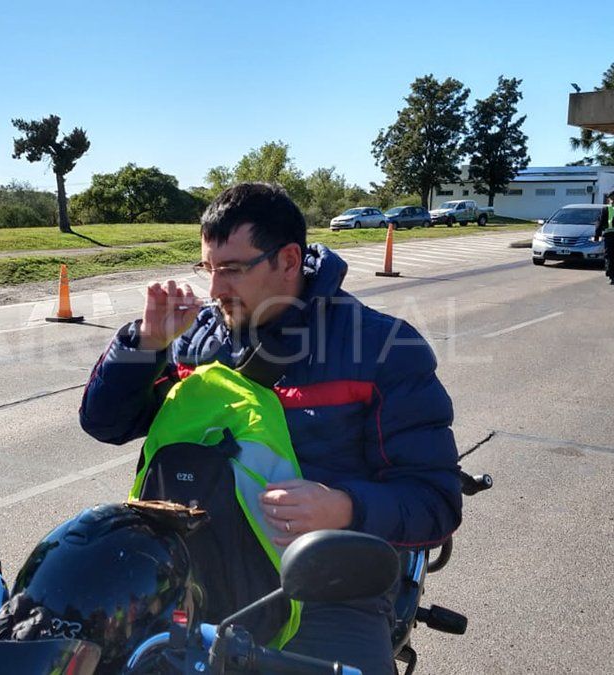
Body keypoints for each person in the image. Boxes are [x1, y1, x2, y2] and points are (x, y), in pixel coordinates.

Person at [79, 182, 463, 671]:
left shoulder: (383, 348)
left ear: (287, 260)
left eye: (233, 270)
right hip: (192, 570)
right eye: (209, 269)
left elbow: (435, 500)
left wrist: (344, 508)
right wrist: (144, 344)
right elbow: (105, 423)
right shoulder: (196, 342)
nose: (216, 289)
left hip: (325, 586)